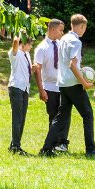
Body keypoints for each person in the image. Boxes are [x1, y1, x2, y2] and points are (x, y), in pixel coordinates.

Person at [44, 13, 95, 157]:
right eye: (84, 28)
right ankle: (91, 150)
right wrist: (85, 83)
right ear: (82, 26)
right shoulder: (76, 41)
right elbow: (72, 64)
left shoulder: (63, 39)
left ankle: (46, 148)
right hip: (74, 84)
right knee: (88, 114)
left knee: (61, 116)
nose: (84, 31)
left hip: (62, 83)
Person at [32, 19, 64, 152]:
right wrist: (41, 89)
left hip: (62, 86)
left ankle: (61, 143)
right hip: (49, 87)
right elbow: (37, 69)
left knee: (63, 115)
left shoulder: (61, 45)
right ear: (52, 30)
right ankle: (51, 144)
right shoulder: (42, 48)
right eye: (61, 30)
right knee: (53, 115)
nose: (62, 33)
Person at [6, 35, 33, 154]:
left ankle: (14, 144)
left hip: (25, 88)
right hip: (16, 87)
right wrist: (20, 33)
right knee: (17, 118)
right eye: (30, 44)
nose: (31, 46)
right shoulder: (15, 53)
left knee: (22, 118)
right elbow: (15, 41)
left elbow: (26, 70)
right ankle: (16, 147)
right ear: (24, 44)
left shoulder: (27, 55)